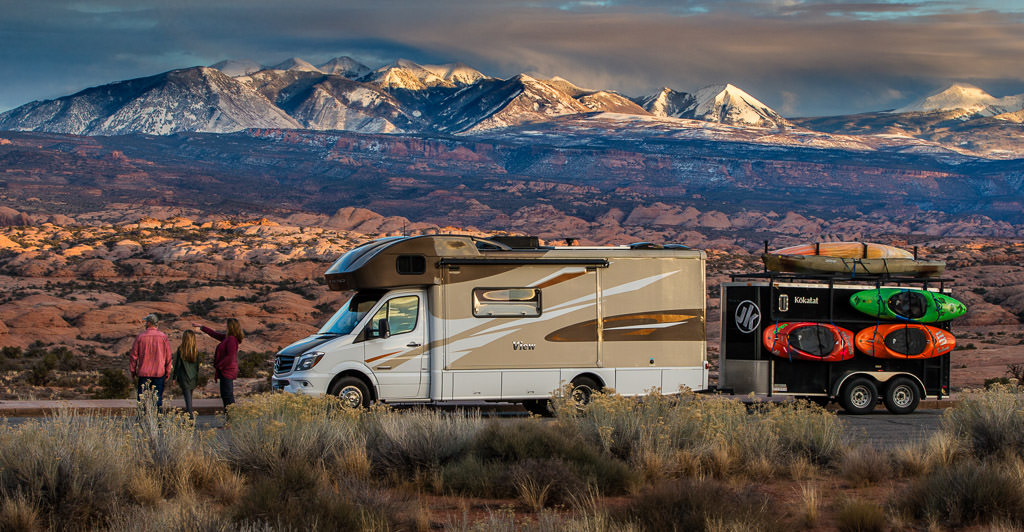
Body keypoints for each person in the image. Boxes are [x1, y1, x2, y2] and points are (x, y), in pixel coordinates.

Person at [193, 318, 242, 408]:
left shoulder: (231, 340)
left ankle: (231, 418)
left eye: (226, 325)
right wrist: (202, 327)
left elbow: (230, 357)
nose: (225, 326)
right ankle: (229, 418)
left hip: (227, 371)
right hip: (225, 370)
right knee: (226, 396)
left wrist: (219, 366)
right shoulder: (227, 338)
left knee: (227, 396)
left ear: (231, 327)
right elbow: (214, 334)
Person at [129, 313, 172, 409]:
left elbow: (133, 356)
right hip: (159, 373)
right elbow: (168, 356)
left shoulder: (140, 337)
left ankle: (141, 421)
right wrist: (167, 371)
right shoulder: (163, 337)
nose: (144, 323)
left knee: (142, 400)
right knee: (157, 400)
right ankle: (157, 422)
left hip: (144, 373)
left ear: (149, 323)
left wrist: (133, 371)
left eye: (145, 322)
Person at [172, 329, 199, 418]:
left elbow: (177, 365)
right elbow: (197, 366)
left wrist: (174, 377)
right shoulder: (195, 350)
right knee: (189, 397)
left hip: (183, 377)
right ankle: (188, 416)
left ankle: (190, 416)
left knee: (187, 398)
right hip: (193, 377)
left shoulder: (181, 350)